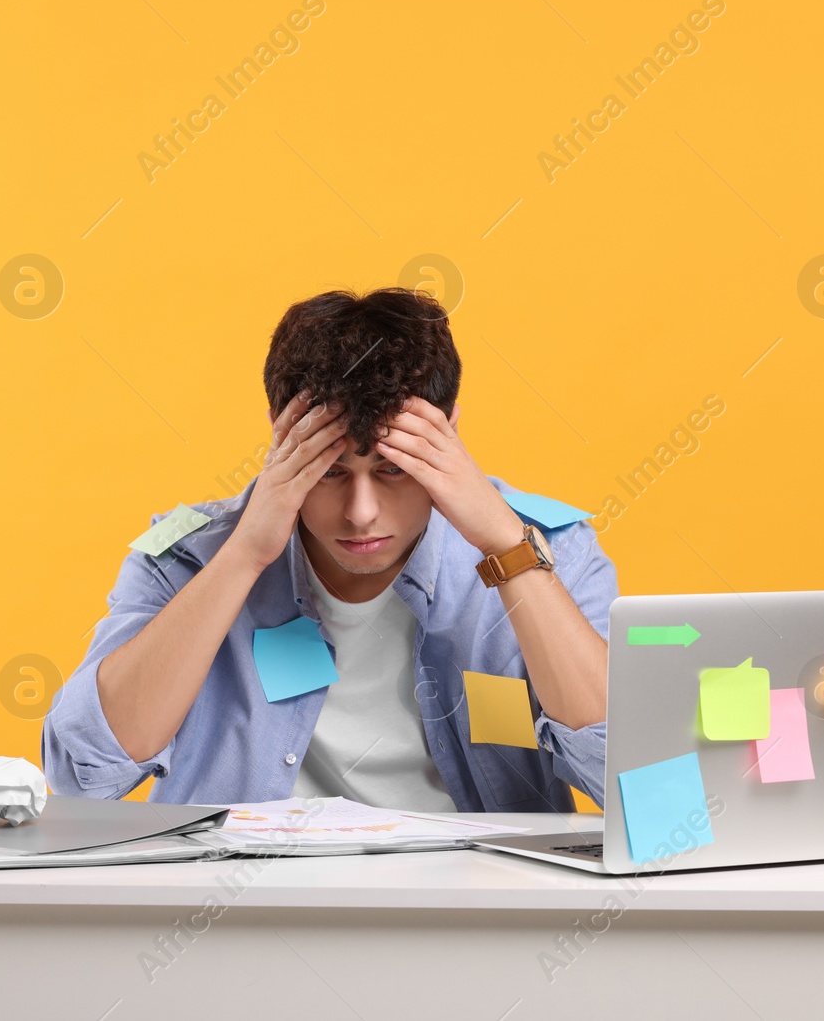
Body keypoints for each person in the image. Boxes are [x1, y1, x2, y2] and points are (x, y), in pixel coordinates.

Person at [42, 286, 617, 811]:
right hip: (235, 911)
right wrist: (243, 555)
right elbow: (84, 772)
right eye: (329, 472)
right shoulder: (184, 555)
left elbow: (622, 769)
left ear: (449, 434)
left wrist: (509, 550)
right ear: (278, 434)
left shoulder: (549, 549)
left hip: (471, 911)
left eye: (394, 469)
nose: (361, 512)